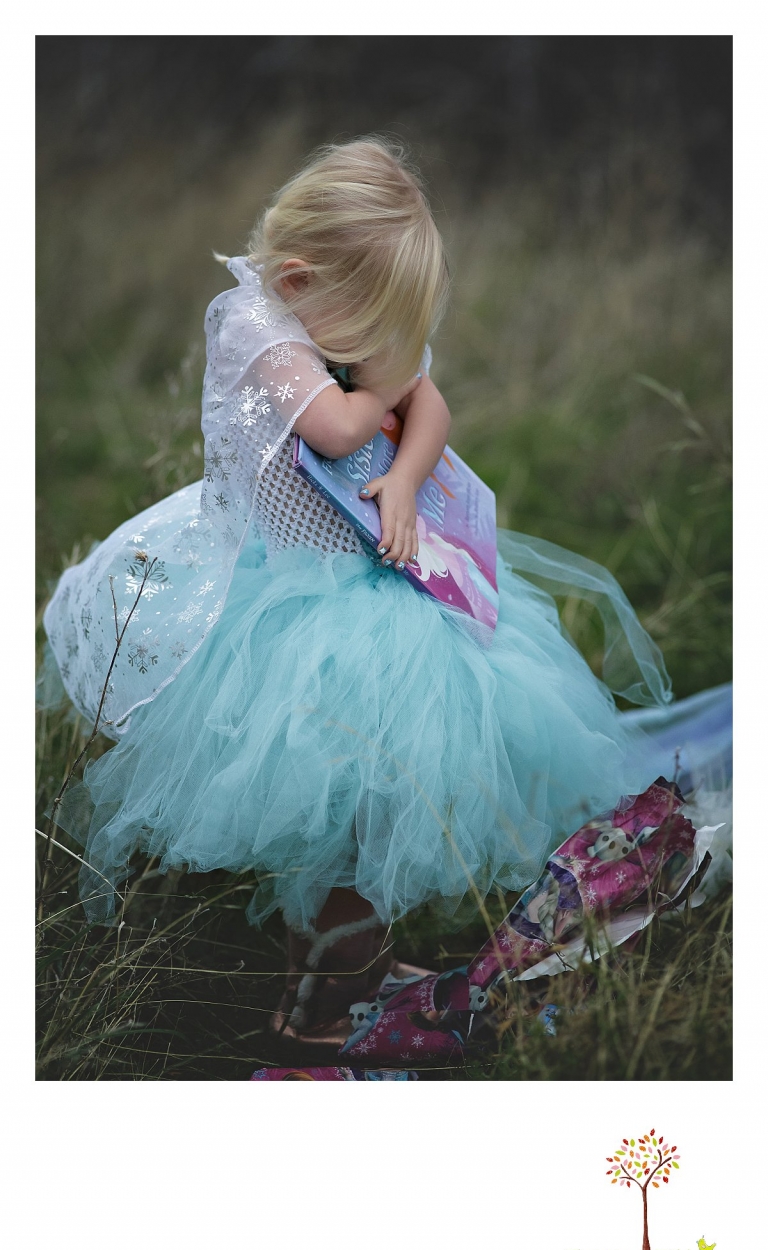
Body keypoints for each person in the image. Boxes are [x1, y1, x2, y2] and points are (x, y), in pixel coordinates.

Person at [41, 137, 726, 1049]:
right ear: (295, 282)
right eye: (367, 326)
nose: (377, 349)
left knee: (378, 812)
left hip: (371, 590)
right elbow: (331, 428)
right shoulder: (252, 328)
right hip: (285, 608)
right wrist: (393, 381)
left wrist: (403, 478)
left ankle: (356, 966)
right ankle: (323, 1007)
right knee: (331, 820)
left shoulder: (341, 325)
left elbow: (431, 407)